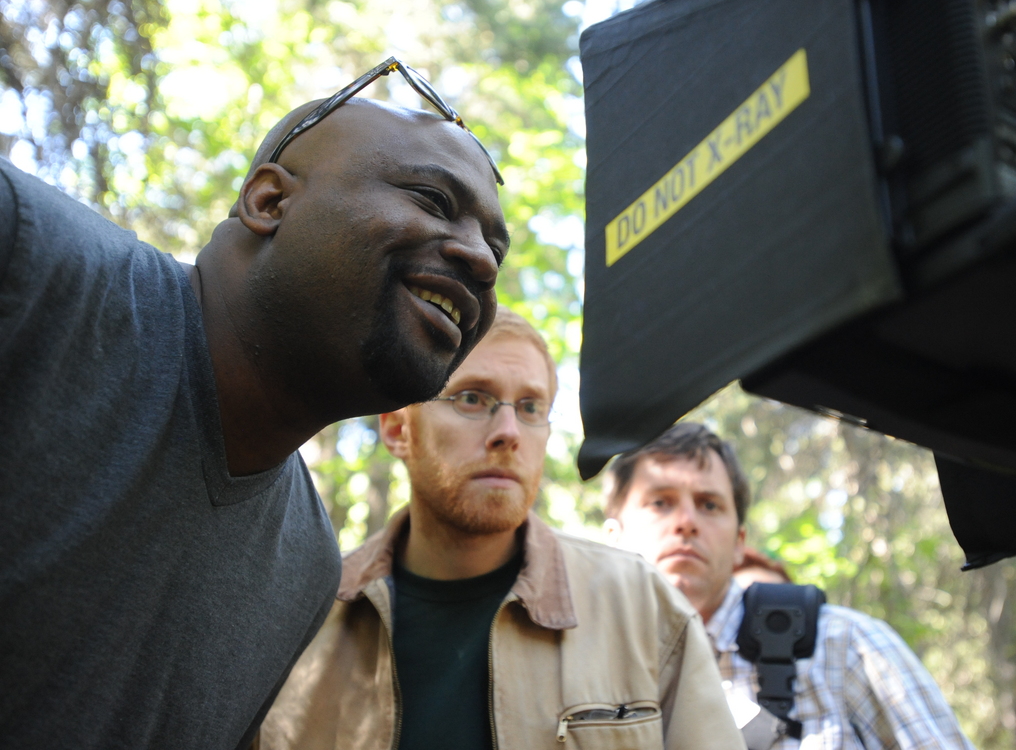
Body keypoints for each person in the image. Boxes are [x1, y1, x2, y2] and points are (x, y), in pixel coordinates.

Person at [0, 57, 508, 750]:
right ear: (269, 202)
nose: (480, 260)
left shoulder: (306, 564)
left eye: (495, 248)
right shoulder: (28, 261)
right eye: (431, 200)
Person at [255, 308, 744, 750]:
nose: (509, 432)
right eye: (472, 398)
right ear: (399, 430)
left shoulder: (640, 607)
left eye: (530, 407)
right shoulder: (304, 623)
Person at [605, 422, 977, 750]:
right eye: (660, 502)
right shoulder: (580, 671)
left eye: (709, 504)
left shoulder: (845, 646)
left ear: (739, 542)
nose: (686, 522)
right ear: (612, 537)